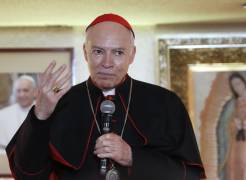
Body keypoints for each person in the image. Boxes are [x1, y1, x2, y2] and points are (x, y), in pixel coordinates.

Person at [6, 13, 205, 180]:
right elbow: (27, 175)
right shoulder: (62, 102)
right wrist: (40, 116)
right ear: (85, 53)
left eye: (118, 52)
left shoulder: (165, 103)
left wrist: (132, 157)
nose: (107, 63)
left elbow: (192, 176)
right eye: (98, 51)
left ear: (132, 55)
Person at [0, 75, 36, 153]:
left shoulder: (44, 112)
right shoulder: (3, 114)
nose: (21, 95)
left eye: (25, 90)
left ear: (34, 92)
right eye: (18, 91)